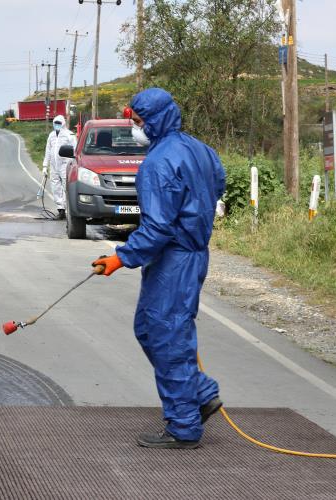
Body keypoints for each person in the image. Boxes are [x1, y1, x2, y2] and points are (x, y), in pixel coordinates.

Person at [92, 88, 226, 449]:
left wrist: (120, 257)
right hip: (191, 254)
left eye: (137, 121)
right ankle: (201, 392)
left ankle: (184, 425)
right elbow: (219, 186)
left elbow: (157, 227)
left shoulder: (158, 163)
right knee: (151, 329)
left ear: (154, 118)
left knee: (167, 337)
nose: (136, 128)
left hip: (174, 257)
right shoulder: (200, 150)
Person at [42, 115, 75, 219]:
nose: (57, 125)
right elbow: (48, 151)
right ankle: (60, 210)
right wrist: (44, 166)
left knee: (66, 187)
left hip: (65, 165)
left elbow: (75, 149)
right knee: (55, 187)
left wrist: (74, 164)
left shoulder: (69, 135)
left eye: (59, 123)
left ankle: (68, 209)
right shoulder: (51, 135)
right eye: (55, 123)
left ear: (63, 123)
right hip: (54, 165)